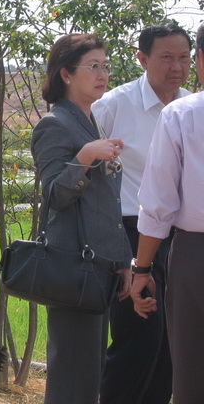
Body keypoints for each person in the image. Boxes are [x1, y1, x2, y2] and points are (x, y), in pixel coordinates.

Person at [93, 22, 191, 404]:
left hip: (180, 237)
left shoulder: (191, 108)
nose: (176, 67)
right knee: (138, 341)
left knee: (171, 345)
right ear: (142, 58)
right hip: (130, 233)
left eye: (183, 57)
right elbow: (82, 164)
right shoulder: (113, 105)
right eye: (166, 57)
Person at [31, 34, 132, 404]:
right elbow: (55, 195)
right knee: (73, 378)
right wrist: (85, 156)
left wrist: (123, 260)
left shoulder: (92, 122)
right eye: (93, 66)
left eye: (105, 65)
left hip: (99, 267)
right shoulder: (55, 124)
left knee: (88, 374)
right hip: (73, 269)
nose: (103, 74)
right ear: (66, 74)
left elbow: (106, 203)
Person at [131, 23, 204, 404]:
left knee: (193, 372)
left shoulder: (183, 114)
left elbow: (159, 203)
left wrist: (142, 268)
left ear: (200, 60)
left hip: (195, 256)